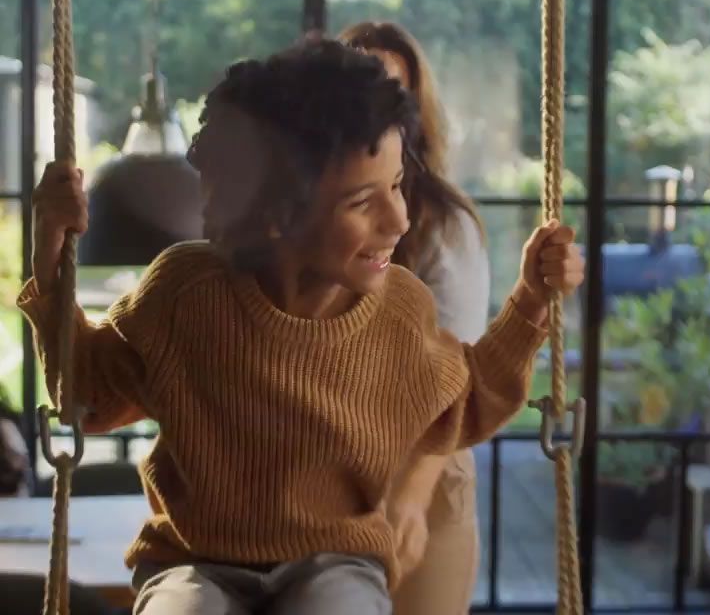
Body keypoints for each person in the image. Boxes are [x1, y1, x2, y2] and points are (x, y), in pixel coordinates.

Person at [19, 36, 584, 615]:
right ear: (273, 214)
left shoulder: (398, 311)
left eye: (396, 186)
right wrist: (50, 265)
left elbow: (468, 401)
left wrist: (531, 302)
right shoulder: (185, 294)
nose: (399, 219)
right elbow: (87, 398)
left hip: (337, 560)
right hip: (195, 561)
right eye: (363, 202)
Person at [339, 20, 488, 615]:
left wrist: (413, 495)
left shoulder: (442, 225)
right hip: (329, 476)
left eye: (393, 93)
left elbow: (459, 372)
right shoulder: (299, 220)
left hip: (423, 472)